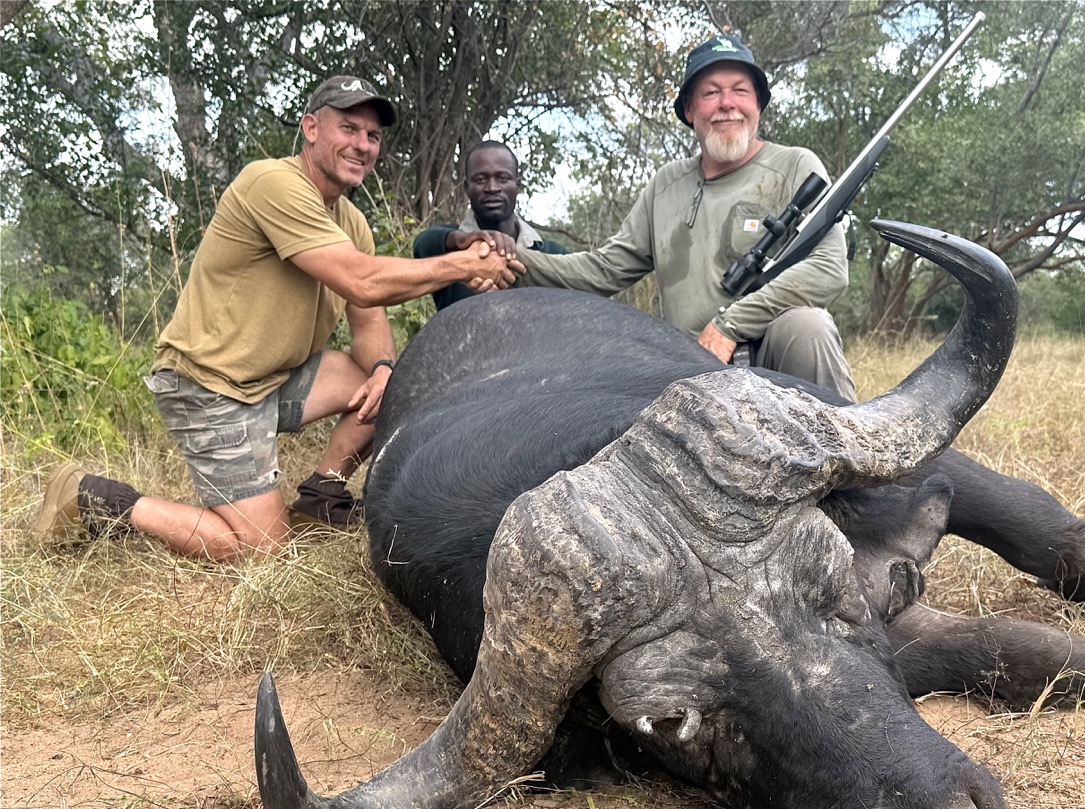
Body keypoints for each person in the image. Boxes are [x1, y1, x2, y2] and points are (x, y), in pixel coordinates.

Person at [35, 75, 520, 562]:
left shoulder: (351, 221)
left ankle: (322, 495)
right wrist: (463, 265)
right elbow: (362, 281)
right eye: (349, 128)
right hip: (213, 385)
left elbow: (369, 320)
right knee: (262, 553)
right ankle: (92, 497)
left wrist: (381, 370)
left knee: (397, 384)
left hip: (277, 376)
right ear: (311, 128)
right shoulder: (272, 183)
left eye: (373, 136)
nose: (363, 144)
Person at [516, 35, 857, 401]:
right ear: (690, 109)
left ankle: (849, 437)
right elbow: (604, 270)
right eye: (711, 93)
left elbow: (828, 269)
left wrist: (730, 324)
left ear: (758, 103)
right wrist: (511, 262)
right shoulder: (665, 184)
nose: (727, 103)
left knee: (808, 327)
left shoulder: (796, 166)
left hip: (774, 362)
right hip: (689, 371)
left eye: (740, 90)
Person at [412, 140, 567, 312]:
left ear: (518, 186)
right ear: (467, 188)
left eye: (503, 178)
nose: (492, 188)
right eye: (480, 179)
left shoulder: (552, 252)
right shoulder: (451, 247)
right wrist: (463, 240)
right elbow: (421, 244)